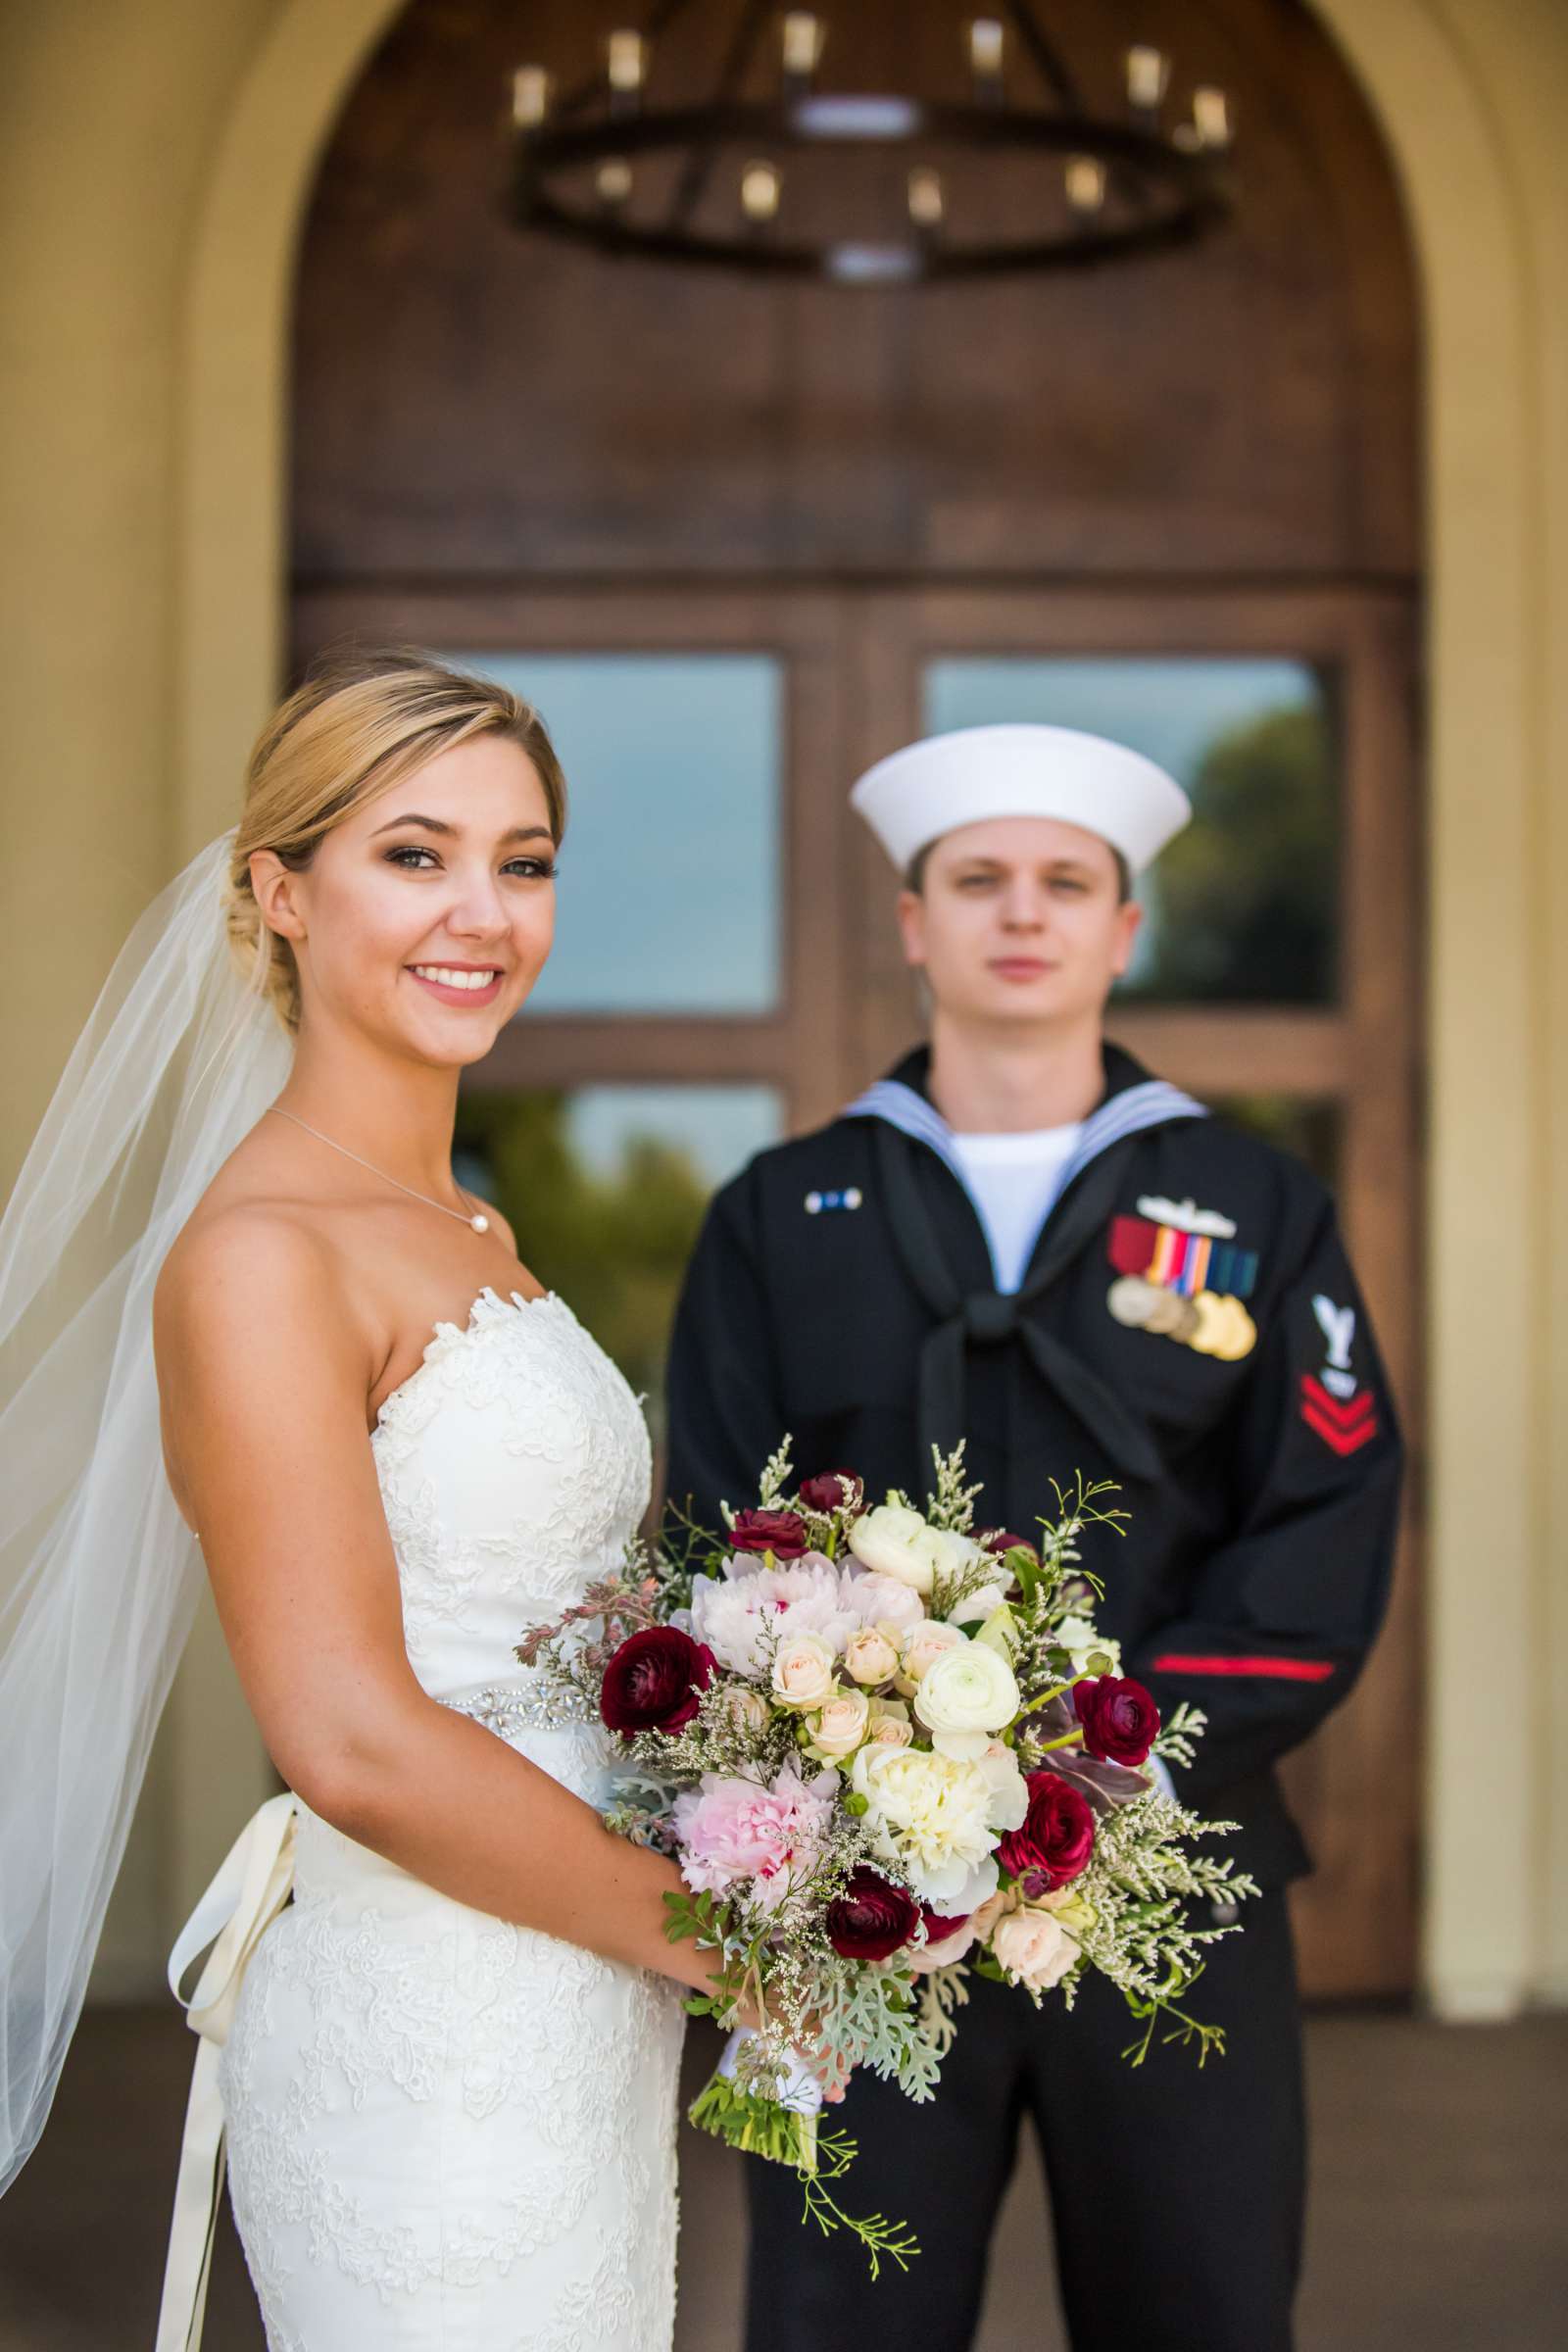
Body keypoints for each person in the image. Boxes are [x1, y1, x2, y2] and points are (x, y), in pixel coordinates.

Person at [0, 650, 819, 2351]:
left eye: (523, 863)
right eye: (415, 853)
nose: (484, 912)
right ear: (279, 893)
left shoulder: (469, 1235)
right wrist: (726, 1950)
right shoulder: (259, 1257)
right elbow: (352, 1738)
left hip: (569, 1999)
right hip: (430, 2034)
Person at [664, 722, 1403, 2352]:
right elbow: (717, 1526)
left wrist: (1108, 1775)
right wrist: (848, 1766)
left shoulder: (1254, 1207)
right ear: (915, 922)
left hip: (1168, 1886)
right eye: (976, 880)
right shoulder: (782, 1211)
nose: (1023, 912)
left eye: (1065, 883)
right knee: (832, 2319)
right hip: (856, 1904)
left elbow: (1328, 1512)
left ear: (1123, 930)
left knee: (1198, 2313)